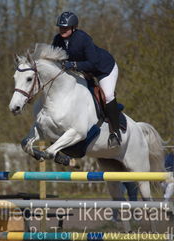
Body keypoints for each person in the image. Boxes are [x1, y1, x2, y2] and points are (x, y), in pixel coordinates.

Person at [52, 11, 122, 147]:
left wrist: (73, 64)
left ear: (73, 28)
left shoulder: (83, 39)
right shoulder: (57, 40)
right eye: (60, 27)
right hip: (83, 71)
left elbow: (93, 63)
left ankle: (115, 133)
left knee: (107, 95)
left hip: (103, 69)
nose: (62, 30)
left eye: (65, 28)